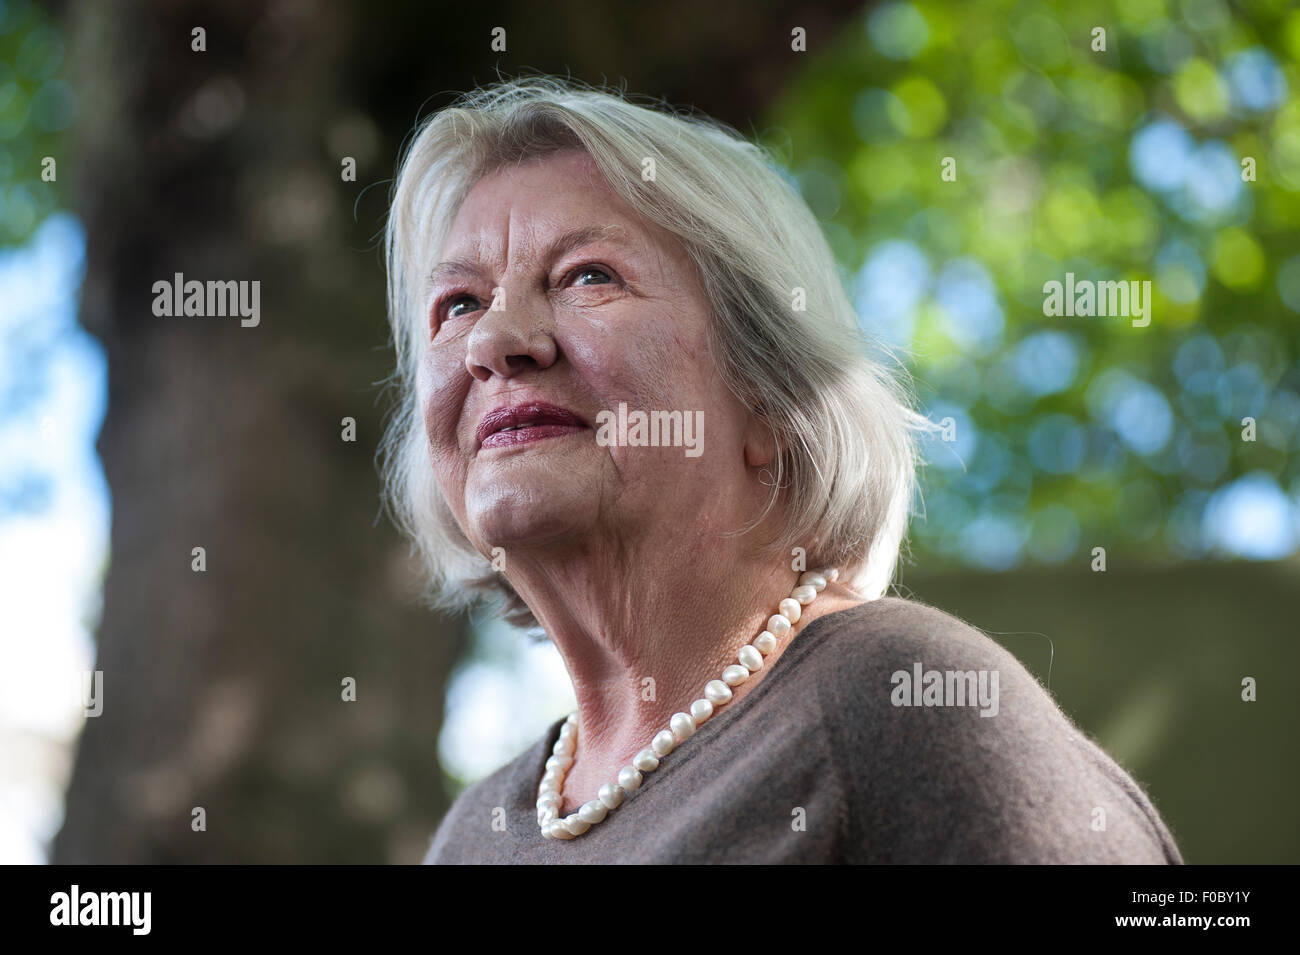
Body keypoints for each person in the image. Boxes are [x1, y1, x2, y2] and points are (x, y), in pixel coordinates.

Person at [378, 77, 1183, 863]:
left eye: (589, 275)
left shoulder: (900, 700)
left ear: (768, 398)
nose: (496, 341)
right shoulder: (474, 833)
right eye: (459, 303)